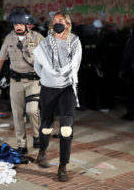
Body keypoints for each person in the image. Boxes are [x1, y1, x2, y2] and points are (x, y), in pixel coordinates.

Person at [33, 11, 82, 182]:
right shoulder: (45, 43)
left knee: (66, 128)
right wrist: (48, 77)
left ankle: (63, 167)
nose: (57, 23)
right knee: (46, 125)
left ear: (67, 24)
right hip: (48, 88)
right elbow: (37, 65)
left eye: (60, 20)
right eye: (54, 21)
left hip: (67, 88)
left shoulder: (75, 41)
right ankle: (42, 152)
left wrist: (61, 75)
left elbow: (76, 63)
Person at [0, 10, 44, 154]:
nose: (18, 27)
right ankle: (22, 145)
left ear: (28, 25)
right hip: (15, 81)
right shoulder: (9, 39)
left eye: (21, 23)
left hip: (33, 81)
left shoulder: (39, 38)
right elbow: (0, 60)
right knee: (17, 114)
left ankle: (36, 135)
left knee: (32, 110)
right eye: (16, 24)